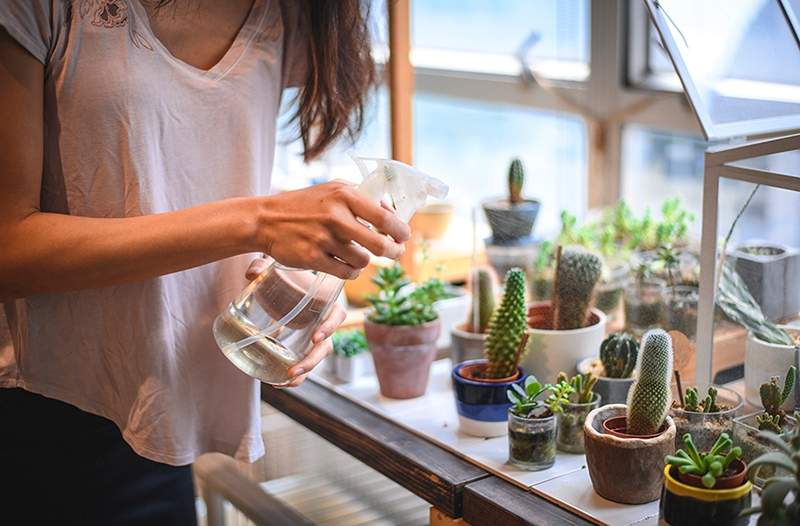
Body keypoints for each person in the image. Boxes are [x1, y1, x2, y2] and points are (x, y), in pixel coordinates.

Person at [0, 1, 407, 524]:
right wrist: (259, 220)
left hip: (158, 411)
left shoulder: (290, 15)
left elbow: (189, 166)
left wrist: (308, 278)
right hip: (34, 406)